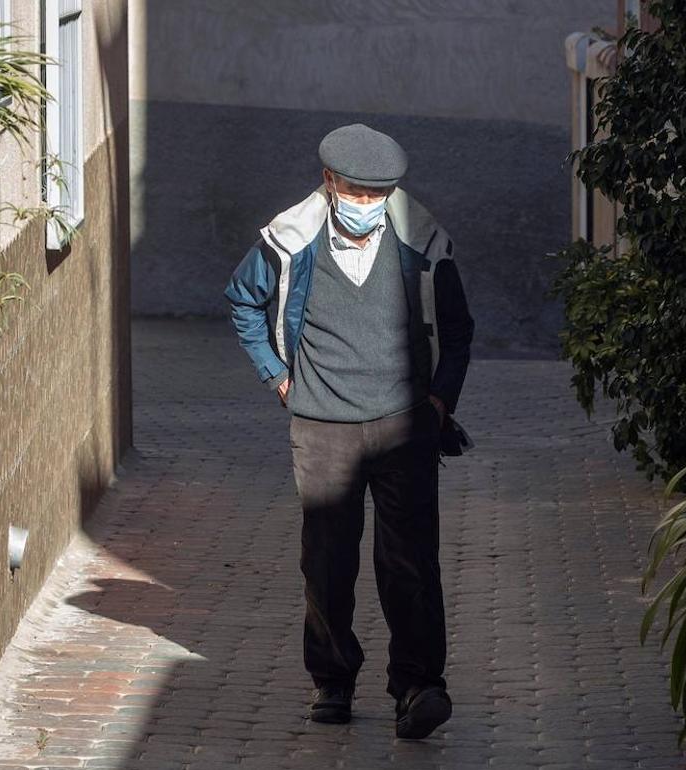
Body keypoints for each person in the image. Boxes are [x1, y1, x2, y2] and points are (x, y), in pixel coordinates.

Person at [223, 123, 474, 738]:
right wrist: (278, 378)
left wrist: (439, 403)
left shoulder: (423, 244)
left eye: (379, 194)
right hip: (322, 428)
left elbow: (459, 329)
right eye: (357, 192)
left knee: (410, 563)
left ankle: (418, 686)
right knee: (327, 564)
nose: (367, 205)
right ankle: (332, 682)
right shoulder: (290, 241)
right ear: (330, 182)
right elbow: (242, 299)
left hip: (404, 427)